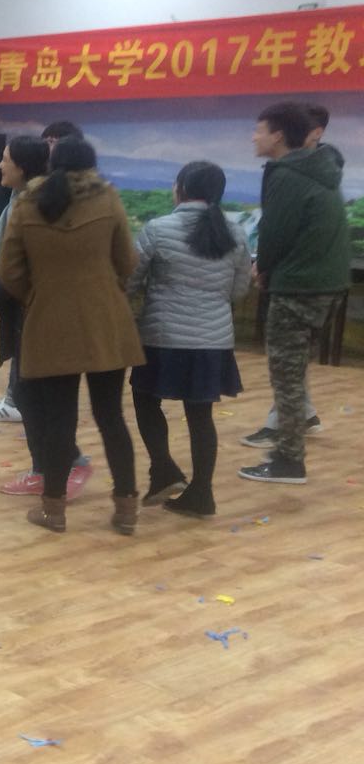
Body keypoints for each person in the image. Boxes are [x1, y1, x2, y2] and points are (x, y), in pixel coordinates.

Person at [0, 137, 143, 535]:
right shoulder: (108, 198)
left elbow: (9, 271)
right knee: (111, 416)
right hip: (105, 321)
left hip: (49, 321)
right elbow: (127, 260)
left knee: (58, 421)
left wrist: (38, 295)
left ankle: (54, 510)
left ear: (52, 164)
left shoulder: (28, 203)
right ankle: (126, 509)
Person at [127, 162, 252, 517]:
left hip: (163, 336)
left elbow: (131, 280)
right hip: (213, 340)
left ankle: (164, 468)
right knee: (200, 415)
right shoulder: (235, 233)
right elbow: (239, 290)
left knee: (145, 400)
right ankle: (201, 493)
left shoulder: (158, 228)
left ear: (180, 188)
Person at [239, 102, 351, 485]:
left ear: (277, 136)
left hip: (299, 284)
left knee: (285, 374)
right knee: (295, 368)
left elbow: (275, 232)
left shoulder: (287, 173)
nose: (253, 137)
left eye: (258, 130)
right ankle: (296, 435)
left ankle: (289, 461)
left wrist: (262, 268)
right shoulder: (319, 168)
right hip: (326, 283)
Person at [0, 136, 50, 423]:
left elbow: (32, 264)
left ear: (22, 166)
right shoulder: (13, 196)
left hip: (31, 298)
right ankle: (14, 400)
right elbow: (2, 239)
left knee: (28, 356)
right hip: (15, 294)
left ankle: (20, 405)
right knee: (20, 350)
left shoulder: (38, 205)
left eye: (5, 160)